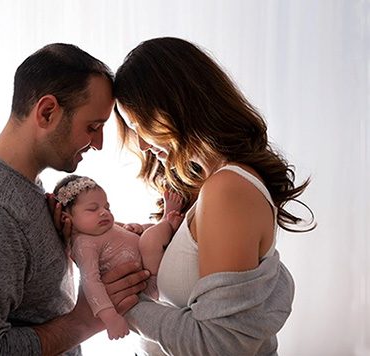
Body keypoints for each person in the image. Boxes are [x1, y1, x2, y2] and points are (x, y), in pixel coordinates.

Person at [0, 43, 149, 356]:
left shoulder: (27, 188)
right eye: (93, 127)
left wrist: (73, 246)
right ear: (47, 112)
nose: (98, 143)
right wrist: (85, 320)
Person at [113, 37, 316, 355]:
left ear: (176, 105)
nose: (140, 145)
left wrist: (125, 307)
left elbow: (219, 346)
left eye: (141, 126)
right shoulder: (211, 188)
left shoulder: (227, 189)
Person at [52, 174, 184, 340]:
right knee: (149, 241)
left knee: (148, 234)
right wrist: (110, 318)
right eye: (93, 209)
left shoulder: (106, 226)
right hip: (146, 282)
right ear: (67, 218)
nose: (103, 213)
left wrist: (136, 227)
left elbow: (130, 235)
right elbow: (91, 282)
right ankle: (168, 221)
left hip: (150, 265)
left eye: (107, 208)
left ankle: (167, 224)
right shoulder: (84, 243)